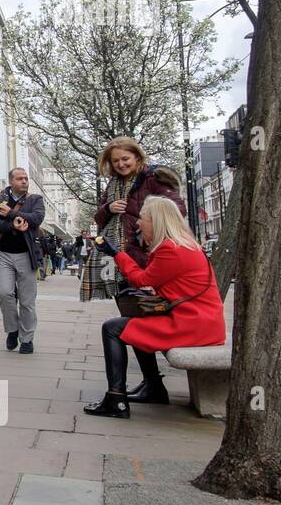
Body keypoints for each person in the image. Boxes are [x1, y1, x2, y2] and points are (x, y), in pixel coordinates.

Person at [84, 196, 226, 417]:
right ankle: (154, 388)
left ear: (156, 221)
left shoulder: (171, 249)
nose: (139, 223)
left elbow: (142, 279)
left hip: (191, 324)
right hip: (201, 320)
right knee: (137, 325)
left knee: (112, 328)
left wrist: (116, 254)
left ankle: (116, 400)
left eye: (142, 218)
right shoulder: (183, 245)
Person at [82, 136, 184, 302]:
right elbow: (99, 219)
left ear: (137, 156)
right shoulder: (113, 184)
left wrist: (149, 226)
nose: (121, 164)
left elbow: (177, 210)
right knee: (127, 306)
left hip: (146, 254)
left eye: (125, 159)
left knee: (143, 309)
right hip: (121, 257)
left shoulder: (152, 178)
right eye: (115, 161)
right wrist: (108, 208)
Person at [0, 167, 46, 354]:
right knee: (4, 293)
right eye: (20, 179)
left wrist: (11, 214)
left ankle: (27, 339)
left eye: (26, 178)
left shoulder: (34, 200)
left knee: (27, 300)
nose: (24, 181)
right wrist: (11, 225)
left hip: (26, 255)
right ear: (11, 182)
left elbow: (36, 218)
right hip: (4, 254)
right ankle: (12, 330)